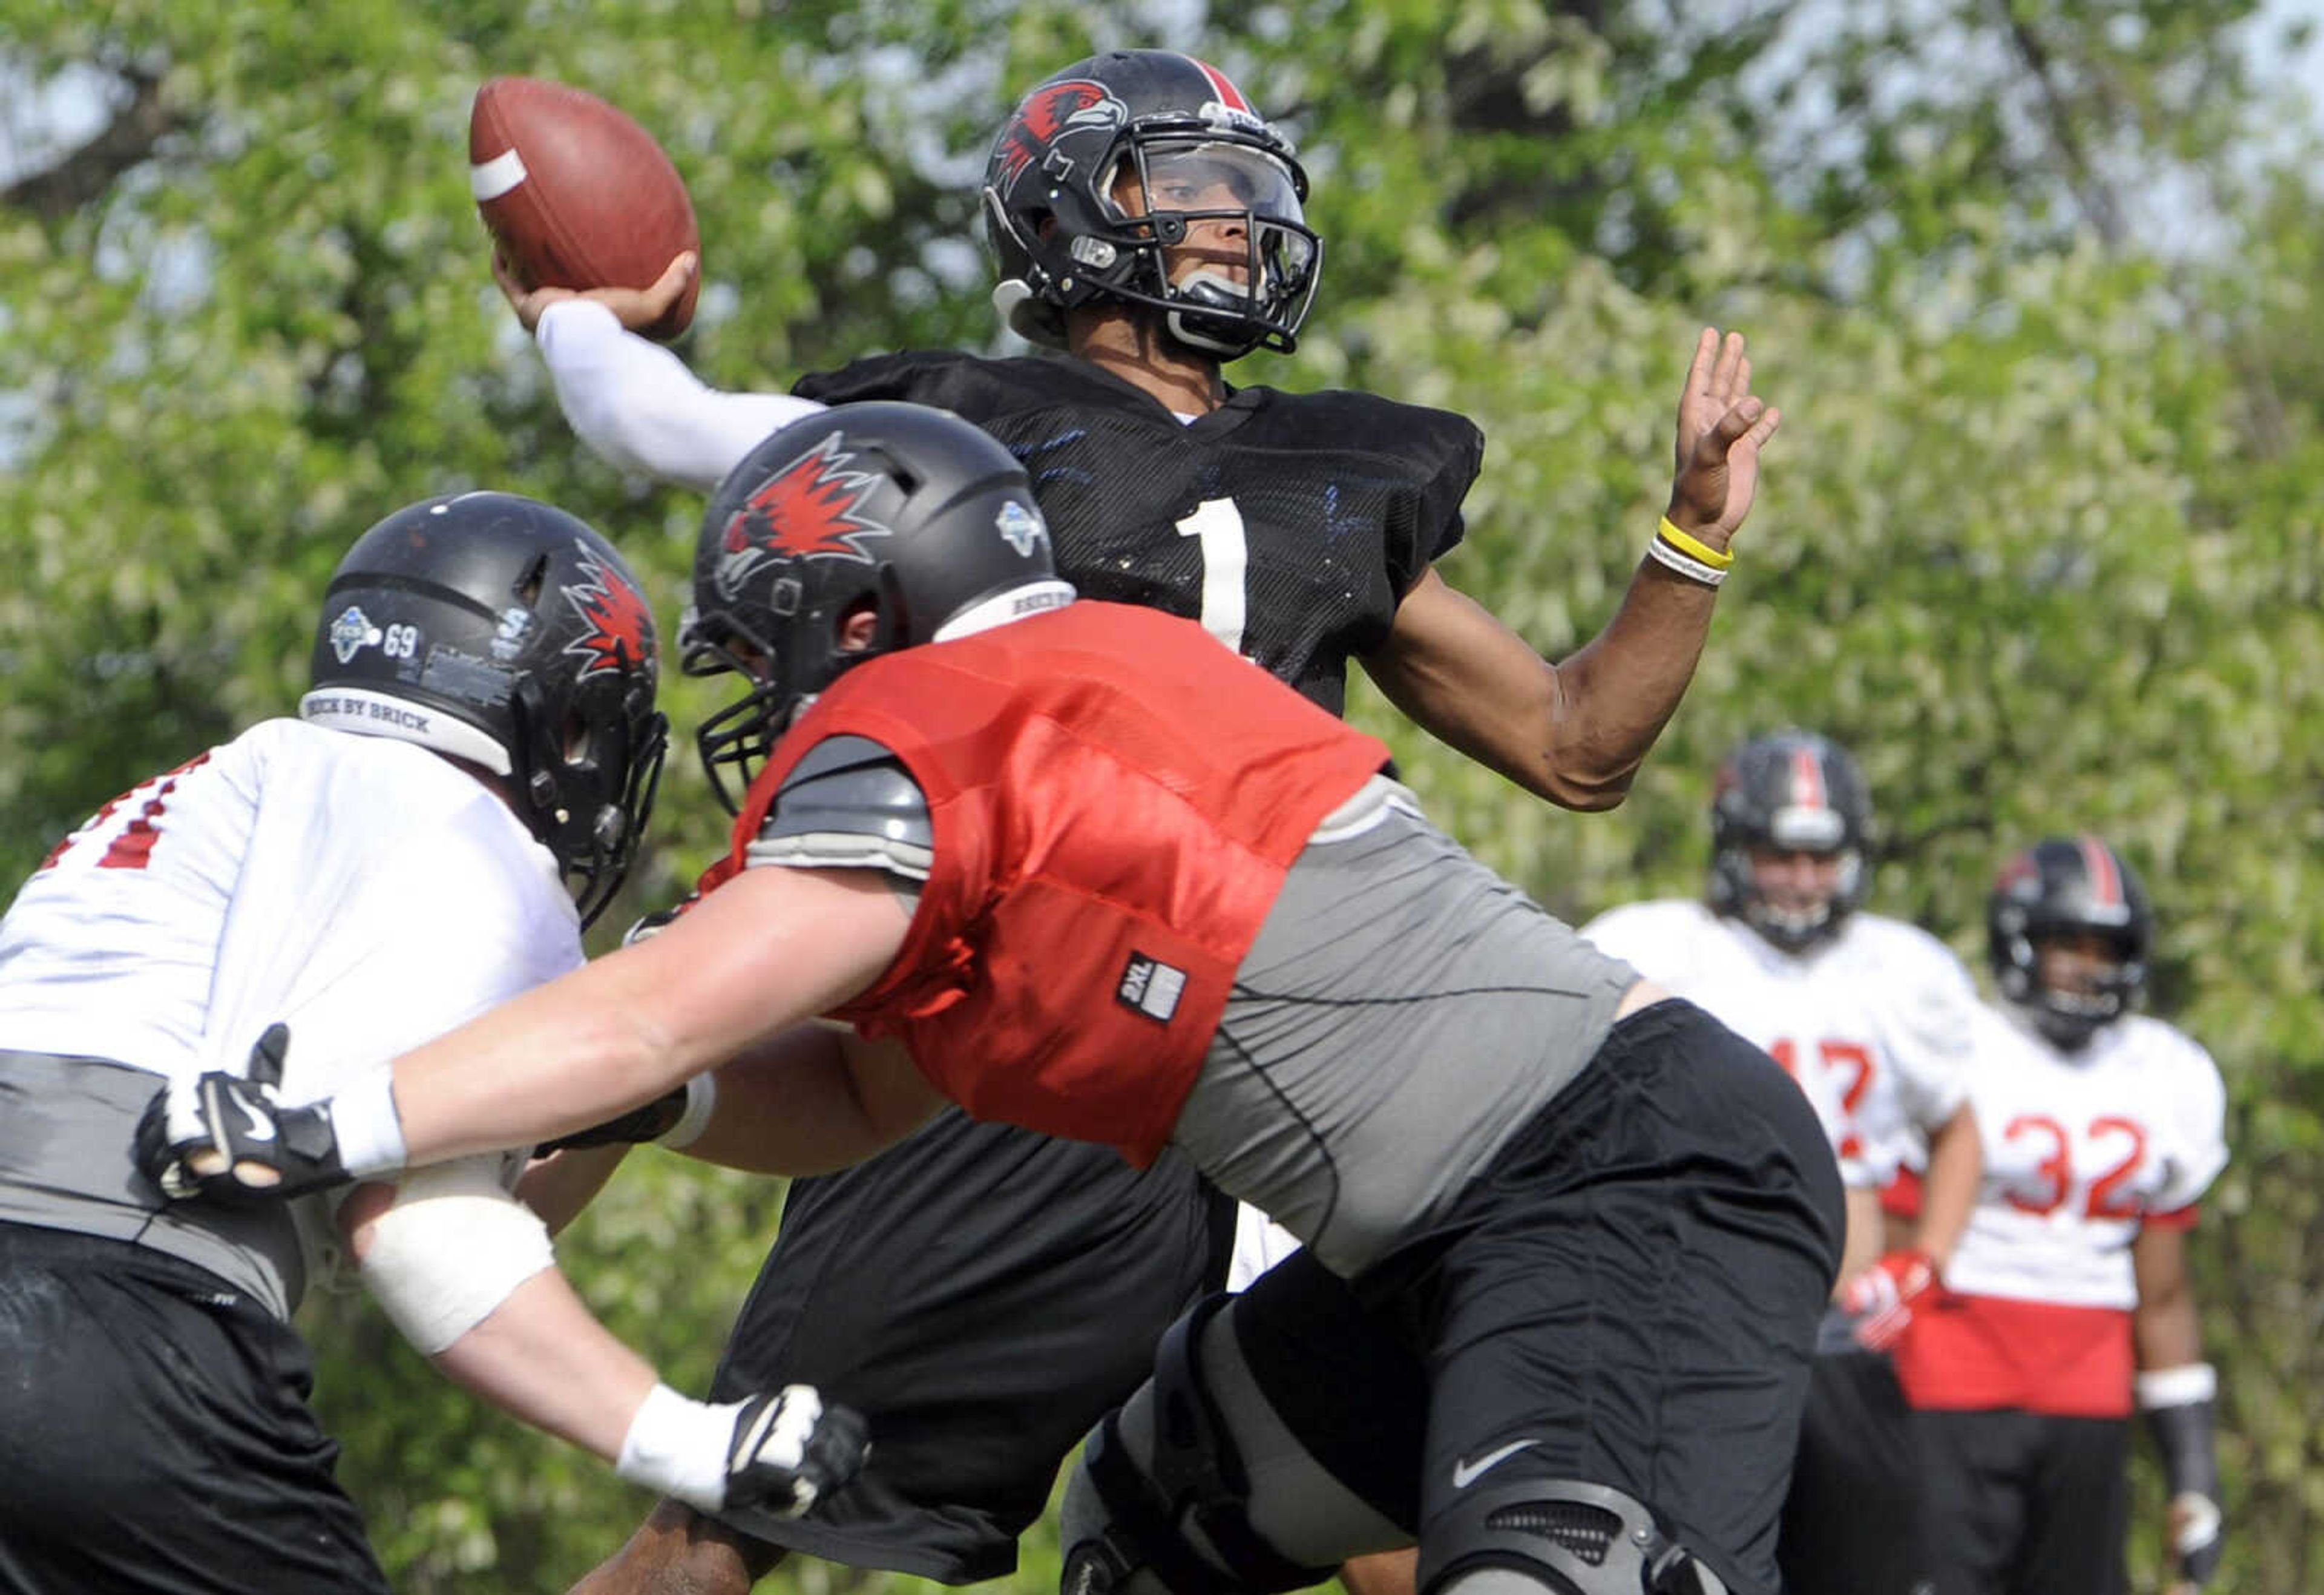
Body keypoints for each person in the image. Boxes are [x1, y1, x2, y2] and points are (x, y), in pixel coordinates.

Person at [140, 403, 1842, 1595]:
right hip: (1436, 1243)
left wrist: (336, 1111)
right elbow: (868, 1094)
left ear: (861, 609)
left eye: (772, 641)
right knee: (1154, 1513)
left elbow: (656, 1009)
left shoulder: (969, 715)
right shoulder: (1060, 715)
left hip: (1624, 1184)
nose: (768, 696)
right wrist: (660, 1107)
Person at [481, 45, 1784, 1595]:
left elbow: (1575, 744)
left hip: (1291, 1048)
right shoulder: (959, 430)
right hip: (1029, 1033)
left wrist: (1687, 540)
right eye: (1192, 189)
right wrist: (581, 316)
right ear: (1067, 215)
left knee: (1373, 1530)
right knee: (728, 1529)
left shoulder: (1331, 470)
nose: (1237, 222)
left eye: (1250, 191)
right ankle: (429, 1228)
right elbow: (669, 428)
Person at [0, 493, 863, 1594]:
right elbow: (411, 1230)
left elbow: (446, 1201)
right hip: (115, 1339)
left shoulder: (222, 785)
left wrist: (617, 1085)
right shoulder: (472, 835)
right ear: (566, 722)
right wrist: (692, 1443)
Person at [1578, 729, 1983, 1595]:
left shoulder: (1898, 969)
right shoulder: (1661, 946)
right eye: (1779, 854)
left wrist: (1929, 1261)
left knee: (1863, 1569)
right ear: (1733, 845)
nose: (1802, 878)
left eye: (1821, 856)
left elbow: (1957, 1126)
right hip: (1688, 1334)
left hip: (1842, 1339)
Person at [1890, 837, 2227, 1595]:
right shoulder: (1958, 1042)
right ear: (2020, 939)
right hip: (1948, 1371)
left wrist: (2193, 1466)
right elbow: (1897, 1228)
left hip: (2089, 1388)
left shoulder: (2168, 1071)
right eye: (2064, 941)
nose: (2085, 964)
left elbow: (2164, 1293)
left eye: (2105, 947)